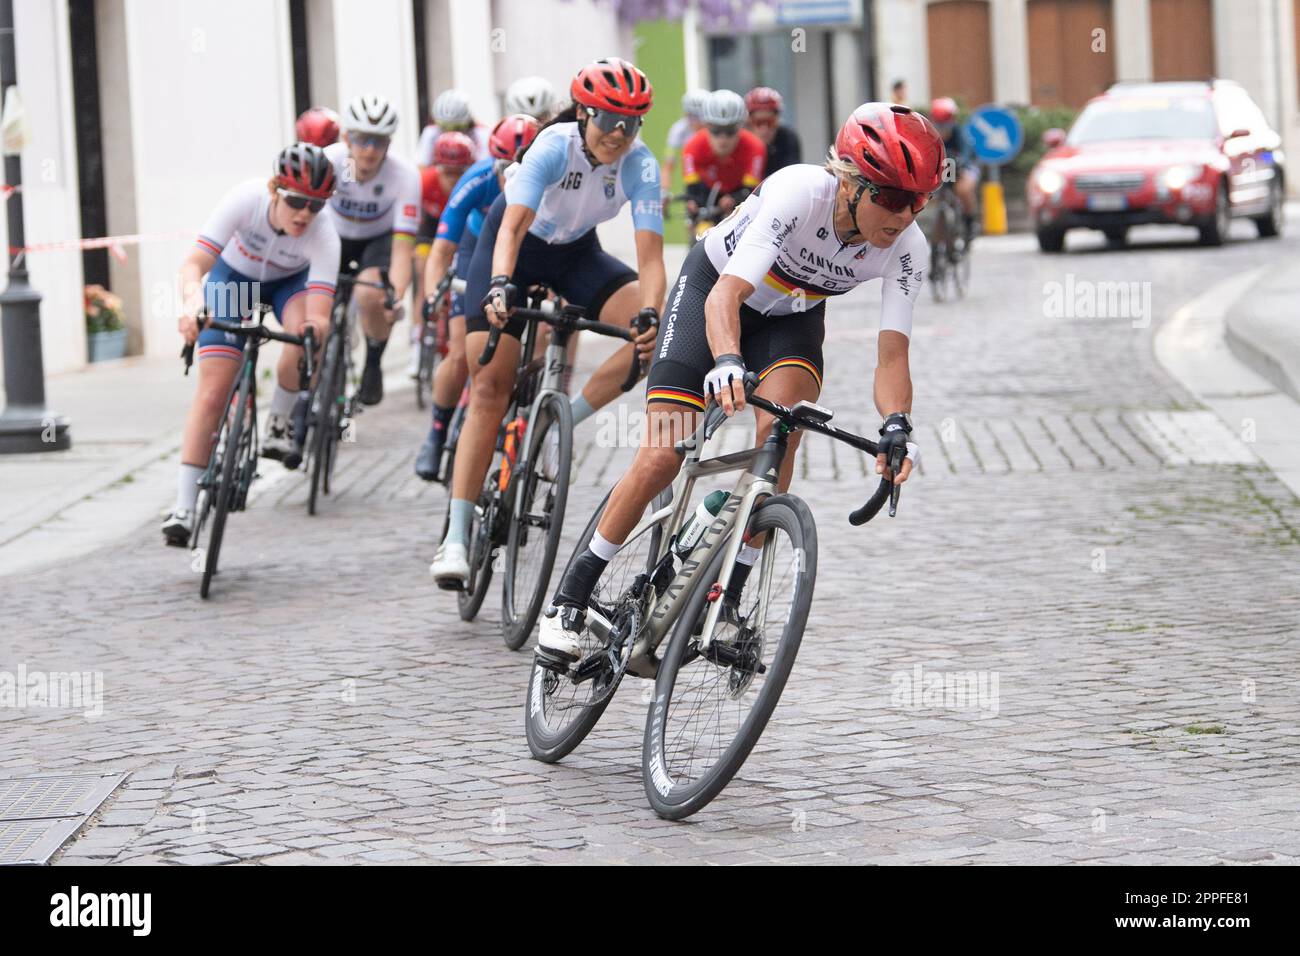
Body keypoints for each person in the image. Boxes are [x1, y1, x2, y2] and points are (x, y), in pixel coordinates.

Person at [536, 103, 944, 664]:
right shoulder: (799, 194)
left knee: (782, 433)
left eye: (919, 200)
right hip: (717, 291)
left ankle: (728, 605)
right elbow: (726, 295)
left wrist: (896, 425)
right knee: (664, 451)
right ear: (850, 181)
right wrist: (726, 360)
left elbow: (893, 354)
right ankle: (570, 600)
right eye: (893, 197)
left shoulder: (908, 248)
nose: (904, 215)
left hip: (793, 319)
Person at [428, 56, 666, 588]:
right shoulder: (553, 146)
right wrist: (497, 285)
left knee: (657, 336)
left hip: (576, 255)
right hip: (515, 248)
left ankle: (562, 419)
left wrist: (650, 312)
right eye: (608, 119)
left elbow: (651, 260)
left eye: (632, 122)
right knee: (490, 385)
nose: (619, 133)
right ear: (584, 114)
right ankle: (456, 538)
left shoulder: (640, 164)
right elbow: (511, 229)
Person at [162, 144, 340, 546]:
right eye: (296, 201)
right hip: (234, 280)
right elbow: (194, 264)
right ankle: (184, 507)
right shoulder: (245, 199)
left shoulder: (324, 233)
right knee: (212, 393)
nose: (304, 214)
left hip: (287, 285)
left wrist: (313, 329)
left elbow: (320, 313)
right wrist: (192, 304)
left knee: (304, 334)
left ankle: (279, 421)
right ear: (275, 189)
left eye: (315, 206)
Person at [414, 113, 541, 480]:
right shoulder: (477, 179)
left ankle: (527, 412)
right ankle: (437, 434)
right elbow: (440, 251)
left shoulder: (551, 181)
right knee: (458, 354)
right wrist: (433, 295)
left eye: (521, 165)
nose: (510, 175)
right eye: (503, 165)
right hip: (476, 251)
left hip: (529, 251)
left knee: (541, 335)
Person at [323, 94, 421, 407]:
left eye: (378, 143)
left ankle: (374, 361)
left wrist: (395, 295)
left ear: (388, 146)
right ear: (346, 138)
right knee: (318, 304)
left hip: (377, 240)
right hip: (331, 236)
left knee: (371, 293)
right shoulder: (328, 162)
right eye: (362, 140)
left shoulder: (404, 176)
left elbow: (403, 249)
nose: (369, 151)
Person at [409, 130, 475, 366]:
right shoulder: (424, 183)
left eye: (460, 173)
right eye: (448, 173)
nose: (454, 180)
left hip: (459, 232)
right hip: (429, 230)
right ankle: (418, 338)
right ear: (437, 167)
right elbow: (412, 224)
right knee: (423, 269)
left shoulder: (472, 185)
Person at [681, 90, 765, 221]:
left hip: (740, 192)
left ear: (740, 127)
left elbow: (751, 189)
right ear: (706, 126)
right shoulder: (692, 147)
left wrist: (734, 199)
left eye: (730, 131)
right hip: (708, 192)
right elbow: (692, 189)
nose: (723, 138)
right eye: (716, 130)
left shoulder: (755, 147)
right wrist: (693, 204)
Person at [929, 96, 978, 242]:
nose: (942, 131)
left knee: (963, 190)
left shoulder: (960, 134)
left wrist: (962, 162)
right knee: (939, 195)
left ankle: (969, 223)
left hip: (962, 167)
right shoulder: (928, 134)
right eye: (938, 126)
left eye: (945, 126)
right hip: (944, 168)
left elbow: (967, 153)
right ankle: (940, 238)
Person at [417, 89, 490, 166]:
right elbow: (422, 166)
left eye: (458, 127)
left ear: (469, 122)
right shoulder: (431, 133)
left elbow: (485, 167)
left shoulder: (482, 134)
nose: (451, 133)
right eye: (445, 127)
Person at [661, 88, 708, 195]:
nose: (696, 122)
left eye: (700, 117)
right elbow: (668, 165)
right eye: (691, 116)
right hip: (693, 178)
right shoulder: (678, 130)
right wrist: (664, 191)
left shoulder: (713, 129)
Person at [744, 86, 801, 176]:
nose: (764, 129)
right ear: (748, 121)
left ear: (778, 120)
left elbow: (792, 175)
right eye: (758, 122)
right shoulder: (740, 140)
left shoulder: (787, 137)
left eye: (770, 122)